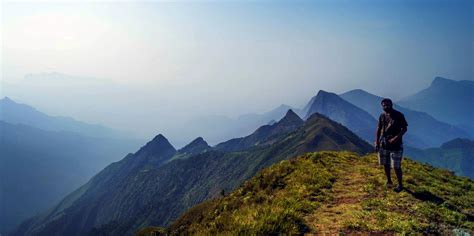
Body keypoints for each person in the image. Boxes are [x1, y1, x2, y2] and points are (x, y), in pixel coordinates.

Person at [375, 98, 408, 193]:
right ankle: (389, 181)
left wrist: (396, 138)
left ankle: (400, 185)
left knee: (396, 166)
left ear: (391, 105)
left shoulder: (398, 115)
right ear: (382, 106)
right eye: (384, 105)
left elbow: (404, 128)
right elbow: (378, 128)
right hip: (384, 143)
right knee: (385, 163)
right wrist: (376, 142)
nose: (386, 107)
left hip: (396, 145)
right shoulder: (382, 116)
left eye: (387, 105)